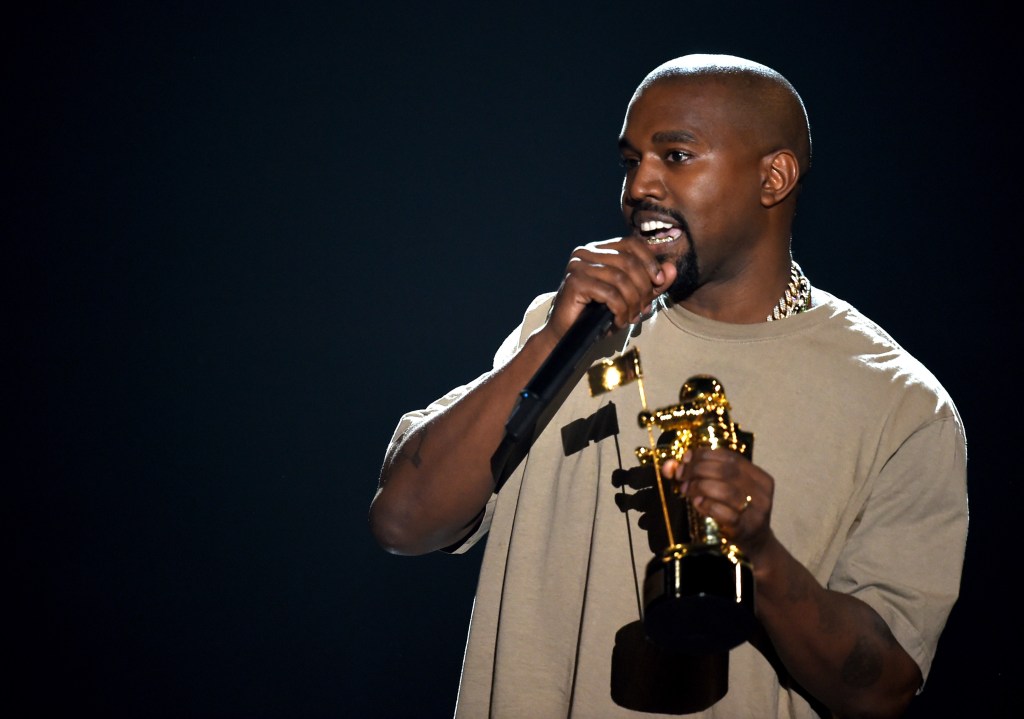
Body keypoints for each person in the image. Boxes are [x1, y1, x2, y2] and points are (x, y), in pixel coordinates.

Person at [370, 54, 968, 718]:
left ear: (773, 177)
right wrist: (548, 344)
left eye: (675, 156)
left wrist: (762, 555)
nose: (638, 188)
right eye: (631, 162)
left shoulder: (899, 402)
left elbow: (881, 688)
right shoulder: (565, 327)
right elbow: (402, 520)